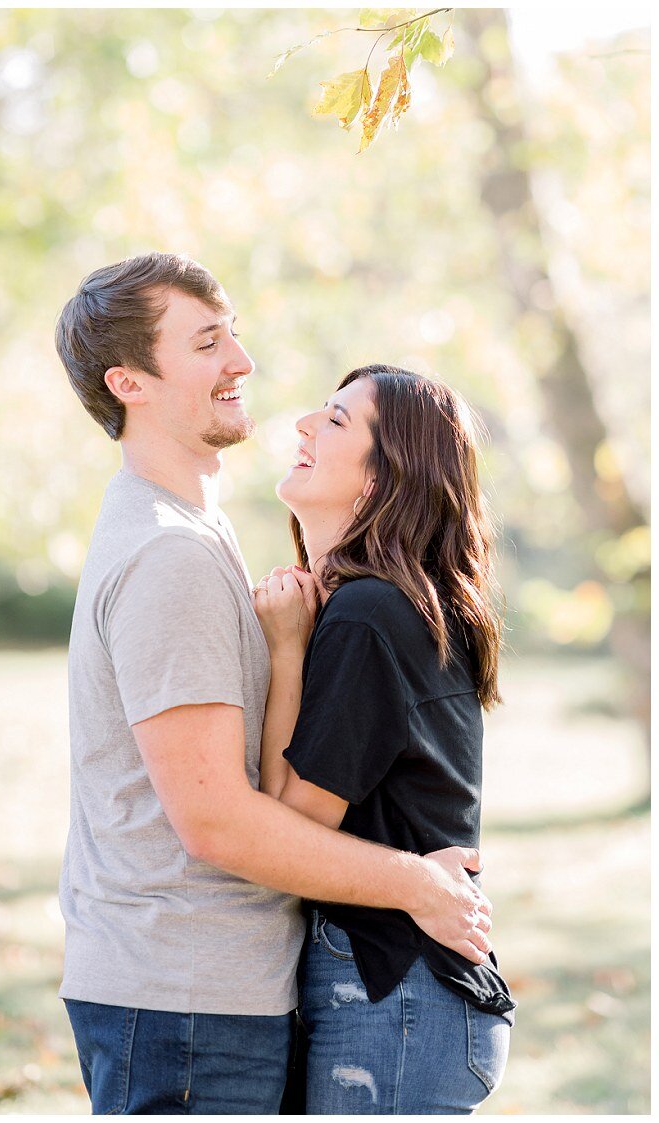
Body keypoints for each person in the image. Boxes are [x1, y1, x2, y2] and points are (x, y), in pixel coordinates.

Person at [52, 252, 492, 1115]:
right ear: (130, 382)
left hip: (235, 988)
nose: (243, 364)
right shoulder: (171, 552)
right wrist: (419, 883)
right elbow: (218, 817)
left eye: (236, 336)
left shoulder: (205, 535)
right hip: (184, 994)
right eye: (209, 342)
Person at [252, 365, 515, 1113]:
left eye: (335, 421)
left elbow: (291, 830)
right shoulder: (391, 607)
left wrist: (286, 652)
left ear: (379, 481)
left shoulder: (370, 615)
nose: (303, 424)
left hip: (394, 998)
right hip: (405, 997)